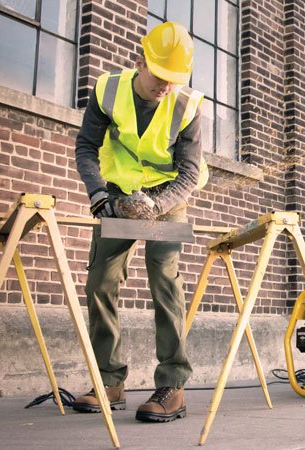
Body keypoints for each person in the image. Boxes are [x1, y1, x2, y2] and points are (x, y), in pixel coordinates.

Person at [72, 21, 206, 423]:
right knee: (100, 281)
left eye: (173, 79)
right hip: (117, 195)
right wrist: (99, 197)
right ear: (140, 61)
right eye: (160, 76)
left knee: (165, 282)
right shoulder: (107, 90)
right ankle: (109, 382)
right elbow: (86, 148)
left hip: (167, 198)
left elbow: (188, 173)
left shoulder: (188, 105)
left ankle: (172, 387)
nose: (166, 86)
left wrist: (158, 205)